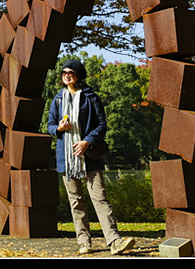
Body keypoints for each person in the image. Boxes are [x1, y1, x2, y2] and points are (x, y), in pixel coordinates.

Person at [47, 58, 135, 256]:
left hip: (90, 156)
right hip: (67, 158)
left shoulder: (91, 97)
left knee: (100, 198)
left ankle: (114, 241)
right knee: (76, 201)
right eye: (64, 72)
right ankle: (84, 242)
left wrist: (87, 141)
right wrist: (58, 128)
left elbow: (102, 125)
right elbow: (50, 125)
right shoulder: (58, 99)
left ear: (78, 75)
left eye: (70, 72)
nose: (66, 75)